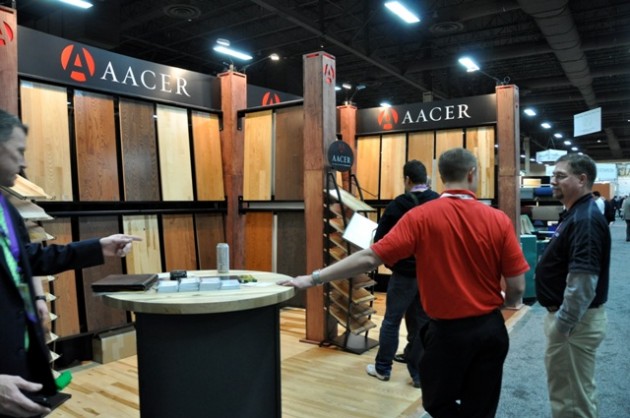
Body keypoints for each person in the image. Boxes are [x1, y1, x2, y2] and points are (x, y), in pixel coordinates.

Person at [280, 148, 528, 418]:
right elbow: (517, 287)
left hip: (446, 333)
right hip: (488, 329)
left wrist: (313, 278)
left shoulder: (420, 217)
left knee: (436, 401)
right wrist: (505, 304)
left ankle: (384, 367)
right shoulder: (498, 219)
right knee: (481, 405)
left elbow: (369, 257)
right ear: (472, 174)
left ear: (441, 176)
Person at [0, 109, 141, 418]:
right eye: (18, 151)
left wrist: (99, 246)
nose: (24, 163)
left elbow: (29, 259)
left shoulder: (5, 209)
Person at [535, 153, 610, 418]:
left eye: (560, 176)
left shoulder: (584, 219)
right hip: (574, 321)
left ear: (582, 179)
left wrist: (562, 325)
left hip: (574, 324)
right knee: (574, 393)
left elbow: (584, 281)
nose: (553, 181)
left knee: (571, 401)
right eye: (552, 175)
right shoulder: (576, 213)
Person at [365, 160, 438, 388]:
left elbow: (381, 241)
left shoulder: (398, 205)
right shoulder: (438, 202)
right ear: (426, 179)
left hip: (403, 274)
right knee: (423, 323)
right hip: (429, 275)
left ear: (407, 179)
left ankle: (383, 368)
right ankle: (419, 375)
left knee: (392, 320)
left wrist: (394, 264)